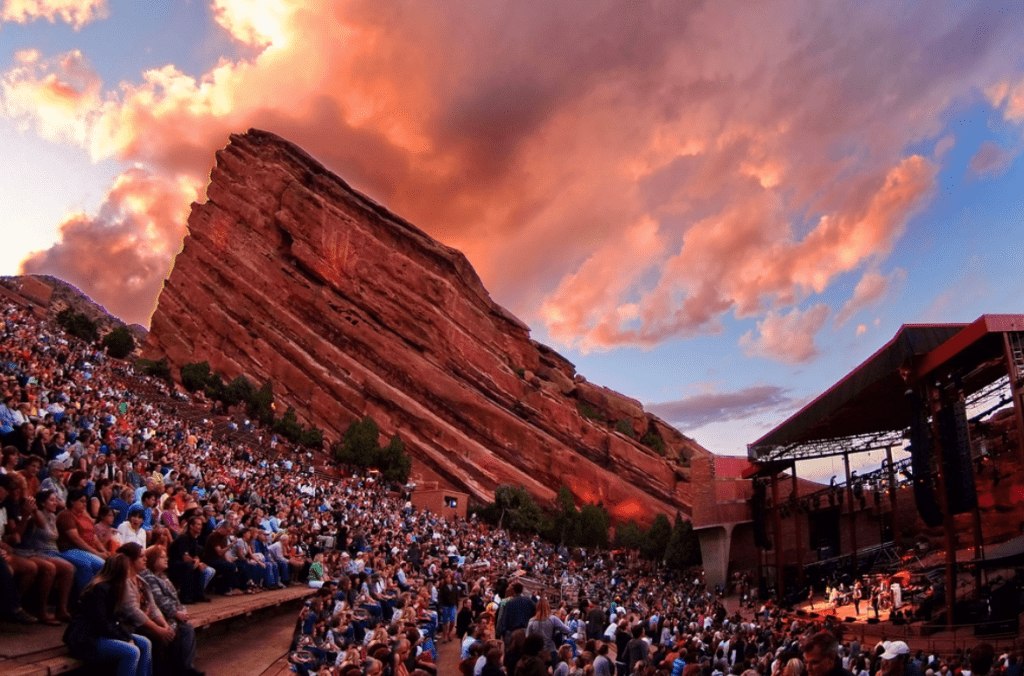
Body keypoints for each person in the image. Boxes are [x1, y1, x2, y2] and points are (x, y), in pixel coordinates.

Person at [63, 552, 154, 676]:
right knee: (132, 652)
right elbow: (101, 624)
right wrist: (126, 638)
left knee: (144, 642)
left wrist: (126, 637)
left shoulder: (114, 587)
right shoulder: (100, 589)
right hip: (86, 638)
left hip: (101, 634)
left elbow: (114, 622)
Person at [139, 545, 205, 676]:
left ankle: (187, 667)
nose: (166, 559)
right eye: (162, 557)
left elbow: (174, 599)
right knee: (184, 629)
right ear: (152, 559)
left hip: (169, 614)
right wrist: (175, 613)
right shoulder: (149, 577)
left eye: (166, 556)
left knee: (187, 626)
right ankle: (184, 669)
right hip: (160, 616)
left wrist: (181, 611)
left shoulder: (162, 576)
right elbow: (159, 600)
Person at [526, 596, 572, 666]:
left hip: (536, 653)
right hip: (550, 652)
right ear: (548, 607)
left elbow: (527, 638)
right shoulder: (552, 619)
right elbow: (567, 630)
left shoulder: (531, 621)